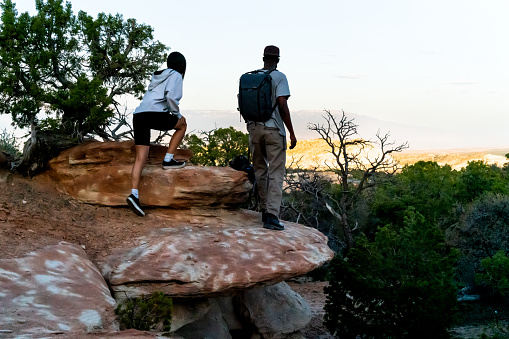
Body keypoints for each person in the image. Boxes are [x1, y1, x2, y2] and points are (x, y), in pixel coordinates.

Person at [126, 51, 188, 217]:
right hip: (154, 113)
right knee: (182, 126)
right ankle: (168, 160)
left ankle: (134, 194)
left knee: (141, 157)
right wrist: (177, 115)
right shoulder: (176, 75)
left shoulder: (158, 75)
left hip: (139, 115)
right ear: (182, 66)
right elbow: (171, 98)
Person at [247, 45, 297, 230]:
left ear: (263, 58)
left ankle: (263, 209)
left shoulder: (250, 77)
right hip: (273, 129)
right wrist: (291, 131)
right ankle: (272, 216)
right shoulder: (279, 77)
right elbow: (282, 105)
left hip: (253, 129)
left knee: (260, 170)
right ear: (277, 60)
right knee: (276, 172)